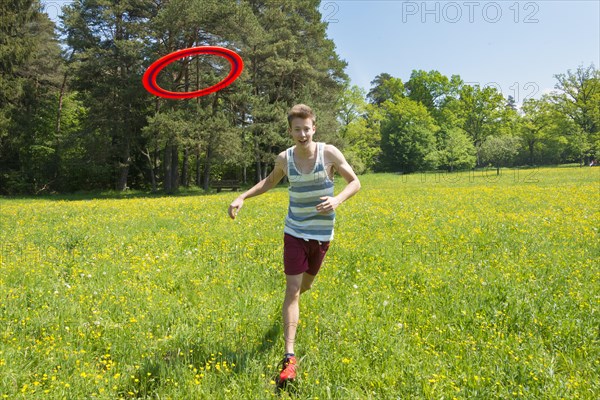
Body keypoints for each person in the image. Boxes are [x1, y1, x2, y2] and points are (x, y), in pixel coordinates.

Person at [228, 104, 361, 385]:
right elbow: (268, 183)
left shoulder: (329, 153)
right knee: (292, 288)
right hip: (295, 231)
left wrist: (337, 200)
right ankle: (289, 356)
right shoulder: (284, 158)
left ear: (314, 128)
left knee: (306, 286)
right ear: (290, 131)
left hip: (322, 234)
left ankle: (294, 312)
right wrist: (242, 197)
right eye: (297, 129)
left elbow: (355, 182)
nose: (302, 134)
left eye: (307, 128)